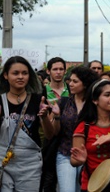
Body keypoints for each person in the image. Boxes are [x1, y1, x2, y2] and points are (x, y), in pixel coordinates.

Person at [0, 56, 54, 191]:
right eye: (15, 73)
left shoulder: (38, 100)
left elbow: (49, 135)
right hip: (0, 161)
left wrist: (45, 117)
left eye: (25, 73)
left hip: (30, 164)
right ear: (5, 75)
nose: (20, 77)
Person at [53, 66, 98, 192]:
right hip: (66, 153)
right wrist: (56, 117)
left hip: (90, 156)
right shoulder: (64, 102)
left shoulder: (95, 104)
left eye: (75, 81)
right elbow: (55, 132)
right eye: (70, 80)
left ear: (85, 84)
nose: (70, 84)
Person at [40, 57, 70, 192]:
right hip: (48, 142)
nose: (58, 72)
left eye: (61, 69)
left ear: (65, 71)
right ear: (48, 71)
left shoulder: (72, 90)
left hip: (69, 141)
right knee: (48, 180)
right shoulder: (41, 92)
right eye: (55, 69)